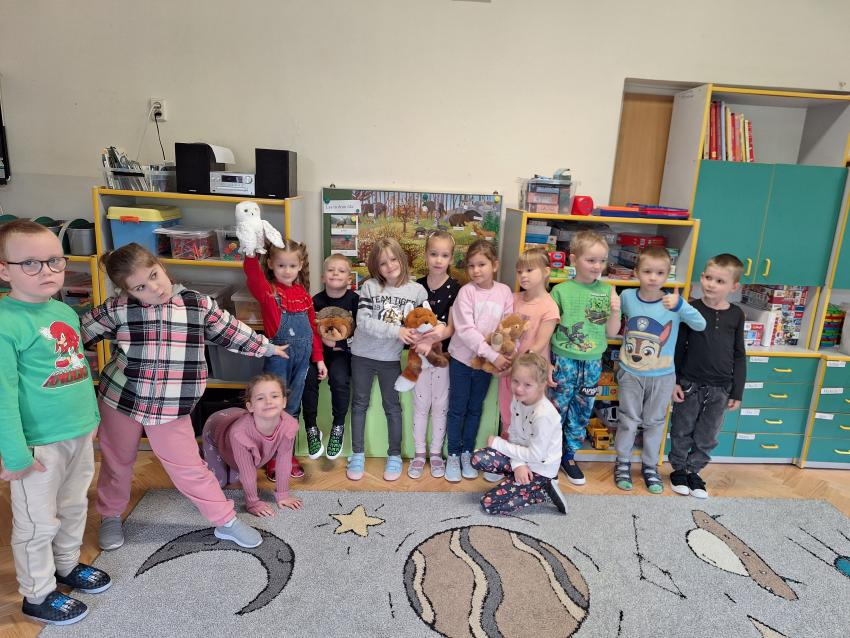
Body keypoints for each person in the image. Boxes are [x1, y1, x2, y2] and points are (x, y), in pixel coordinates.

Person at [81, 242, 286, 552]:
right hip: (121, 399)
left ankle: (226, 521)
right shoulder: (117, 308)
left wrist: (267, 347)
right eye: (140, 287)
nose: (154, 288)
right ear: (128, 291)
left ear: (161, 267)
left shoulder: (197, 304)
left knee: (189, 466)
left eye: (154, 275)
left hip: (170, 406)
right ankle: (110, 515)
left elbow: (232, 331)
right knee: (117, 462)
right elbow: (76, 334)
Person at [0, 220, 110, 626]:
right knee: (37, 522)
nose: (46, 271)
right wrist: (15, 454)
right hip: (37, 445)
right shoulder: (5, 323)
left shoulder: (63, 310)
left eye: (54, 261)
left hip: (77, 433)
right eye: (30, 263)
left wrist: (92, 418)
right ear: (4, 270)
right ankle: (38, 593)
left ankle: (66, 565)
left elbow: (79, 372)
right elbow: (3, 396)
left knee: (74, 505)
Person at [614, 246, 706, 493]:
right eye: (647, 272)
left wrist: (681, 305)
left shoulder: (672, 302)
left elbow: (700, 324)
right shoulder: (627, 297)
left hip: (663, 375)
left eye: (660, 273)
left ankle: (650, 465)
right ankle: (622, 462)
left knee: (655, 422)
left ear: (668, 275)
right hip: (631, 373)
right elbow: (613, 327)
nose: (653, 278)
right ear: (636, 272)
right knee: (628, 420)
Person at [244, 238, 327, 480]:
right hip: (278, 358)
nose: (287, 271)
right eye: (281, 265)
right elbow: (252, 276)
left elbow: (312, 330)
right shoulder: (269, 292)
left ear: (300, 266)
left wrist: (319, 359)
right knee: (273, 408)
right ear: (271, 264)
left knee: (292, 408)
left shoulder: (304, 295)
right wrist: (250, 251)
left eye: (292, 265)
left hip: (302, 361)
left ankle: (286, 454)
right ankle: (271, 457)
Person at [347, 238, 427, 481]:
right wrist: (397, 331)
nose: (390, 266)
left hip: (390, 359)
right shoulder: (370, 287)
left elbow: (424, 321)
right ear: (376, 267)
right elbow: (363, 322)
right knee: (359, 404)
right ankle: (357, 454)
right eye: (383, 263)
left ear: (402, 259)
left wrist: (421, 334)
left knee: (392, 407)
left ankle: (394, 456)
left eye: (393, 259)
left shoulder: (416, 291)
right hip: (362, 355)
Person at [669, 253, 746, 499]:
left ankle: (694, 471)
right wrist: (675, 381)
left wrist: (737, 391)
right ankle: (678, 470)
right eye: (708, 278)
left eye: (720, 281)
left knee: (708, 434)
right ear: (702, 277)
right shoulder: (690, 309)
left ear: (734, 287)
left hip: (721, 388)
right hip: (690, 384)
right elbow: (678, 348)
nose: (711, 284)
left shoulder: (736, 314)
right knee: (682, 428)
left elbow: (739, 354)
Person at [549, 230, 622, 486]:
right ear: (573, 259)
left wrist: (616, 310)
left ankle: (568, 457)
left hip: (591, 362)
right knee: (556, 409)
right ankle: (549, 456)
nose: (597, 266)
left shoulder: (606, 291)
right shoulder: (560, 291)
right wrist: (547, 362)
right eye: (591, 260)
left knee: (581, 410)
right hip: (563, 360)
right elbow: (548, 329)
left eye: (602, 261)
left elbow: (611, 332)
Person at [486, 247, 559, 483]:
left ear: (546, 272)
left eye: (529, 270)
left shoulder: (549, 306)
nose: (523, 276)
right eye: (519, 271)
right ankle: (508, 461)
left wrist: (514, 365)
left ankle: (526, 464)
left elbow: (538, 344)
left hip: (531, 376)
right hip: (509, 371)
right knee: (508, 417)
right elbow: (503, 331)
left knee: (529, 419)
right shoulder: (513, 298)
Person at [445, 239, 514, 482]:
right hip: (462, 361)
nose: (476, 270)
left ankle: (467, 453)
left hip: (486, 366)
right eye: (471, 266)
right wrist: (493, 354)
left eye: (481, 264)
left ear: (494, 265)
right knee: (458, 409)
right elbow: (466, 330)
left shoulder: (504, 292)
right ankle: (453, 454)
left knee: (475, 409)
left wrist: (506, 352)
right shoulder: (466, 292)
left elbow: (508, 327)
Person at [470, 353, 568, 515]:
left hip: (540, 469)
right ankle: (519, 482)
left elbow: (535, 455)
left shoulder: (543, 415)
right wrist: (518, 465)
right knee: (477, 458)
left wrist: (499, 444)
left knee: (488, 504)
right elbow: (514, 435)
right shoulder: (518, 400)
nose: (519, 388)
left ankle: (542, 491)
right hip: (523, 458)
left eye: (527, 384)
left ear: (542, 385)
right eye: (515, 381)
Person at [202, 374, 303, 516]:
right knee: (220, 482)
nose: (268, 401)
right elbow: (248, 472)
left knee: (236, 478)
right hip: (215, 427)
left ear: (284, 402)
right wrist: (253, 503)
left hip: (237, 421)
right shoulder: (239, 433)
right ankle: (207, 455)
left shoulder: (289, 425)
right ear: (250, 406)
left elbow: (284, 461)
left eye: (274, 396)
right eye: (260, 398)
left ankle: (231, 459)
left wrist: (283, 495)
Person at [408, 230, 460, 479]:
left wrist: (436, 336)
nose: (438, 260)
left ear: (451, 258)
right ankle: (420, 453)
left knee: (440, 407)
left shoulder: (456, 289)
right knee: (420, 406)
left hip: (443, 358)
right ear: (425, 254)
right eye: (434, 254)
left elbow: (451, 327)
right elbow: (410, 321)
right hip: (418, 357)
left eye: (444, 255)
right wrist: (421, 340)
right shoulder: (416, 287)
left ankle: (437, 453)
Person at [300, 253, 358, 462]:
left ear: (349, 279)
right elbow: (309, 331)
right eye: (331, 270)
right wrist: (319, 355)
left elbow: (361, 333)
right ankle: (311, 427)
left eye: (341, 271)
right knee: (307, 378)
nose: (335, 274)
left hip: (342, 353)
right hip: (317, 354)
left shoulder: (355, 301)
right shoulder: (314, 301)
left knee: (339, 379)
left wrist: (339, 344)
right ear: (323, 277)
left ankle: (338, 426)